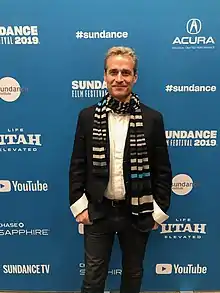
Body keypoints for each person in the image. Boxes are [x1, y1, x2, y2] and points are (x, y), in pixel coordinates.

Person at [69, 46, 172, 293]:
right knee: (93, 277)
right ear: (104, 75)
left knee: (133, 274)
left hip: (137, 212)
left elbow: (163, 170)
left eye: (125, 73)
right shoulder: (87, 116)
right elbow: (77, 164)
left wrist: (157, 211)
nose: (119, 78)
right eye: (113, 72)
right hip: (97, 210)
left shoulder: (152, 118)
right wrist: (79, 205)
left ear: (135, 77)